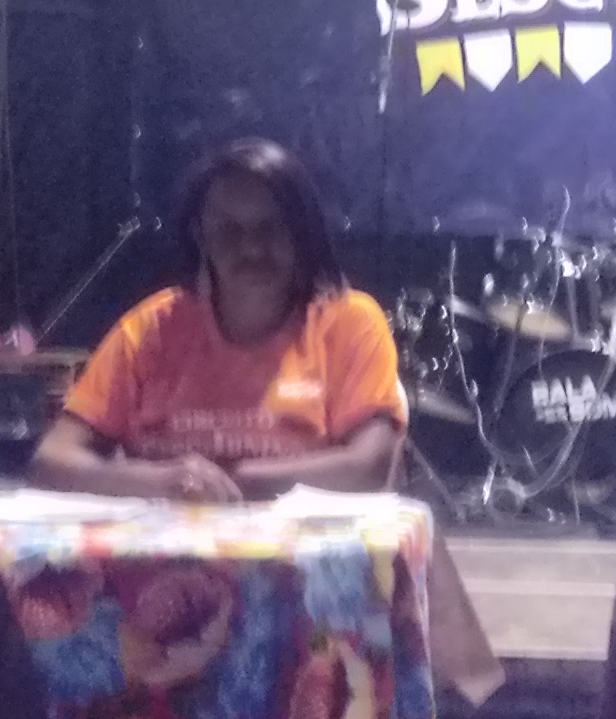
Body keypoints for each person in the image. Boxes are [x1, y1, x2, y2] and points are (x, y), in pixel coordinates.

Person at [29, 138, 404, 501]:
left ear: (301, 233)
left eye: (270, 229)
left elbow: (369, 466)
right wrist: (162, 482)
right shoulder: (150, 329)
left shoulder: (350, 322)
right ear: (200, 237)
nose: (251, 248)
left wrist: (233, 481)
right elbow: (51, 460)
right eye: (229, 230)